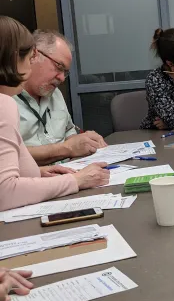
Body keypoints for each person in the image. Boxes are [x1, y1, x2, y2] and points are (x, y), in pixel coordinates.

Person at [0, 16, 109, 211]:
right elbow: (5, 192)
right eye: (29, 56)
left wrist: (39, 172)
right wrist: (75, 179)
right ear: (14, 59)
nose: (61, 78)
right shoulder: (5, 103)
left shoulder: (52, 94)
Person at [14, 30, 107, 166]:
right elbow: (9, 156)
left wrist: (83, 142)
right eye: (59, 67)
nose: (62, 78)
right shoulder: (6, 97)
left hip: (71, 171)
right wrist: (67, 149)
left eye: (65, 72)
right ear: (34, 55)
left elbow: (69, 130)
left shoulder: (55, 93)